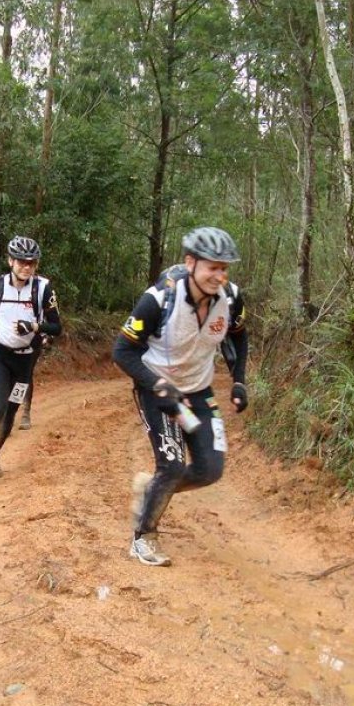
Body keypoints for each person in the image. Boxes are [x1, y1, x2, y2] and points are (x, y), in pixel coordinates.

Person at [111, 226, 248, 566]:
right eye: (212, 267)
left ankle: (151, 490)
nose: (219, 275)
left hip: (198, 392)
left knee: (209, 470)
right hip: (159, 393)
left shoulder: (231, 298)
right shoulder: (158, 300)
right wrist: (159, 387)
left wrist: (239, 381)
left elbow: (239, 336)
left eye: (224, 268)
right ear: (191, 263)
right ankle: (143, 538)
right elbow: (122, 352)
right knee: (171, 465)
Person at [0, 236, 62, 482]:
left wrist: (33, 326)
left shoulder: (43, 289)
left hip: (25, 360)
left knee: (11, 412)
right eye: (22, 262)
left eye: (31, 263)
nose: (27, 267)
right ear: (11, 261)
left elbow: (56, 327)